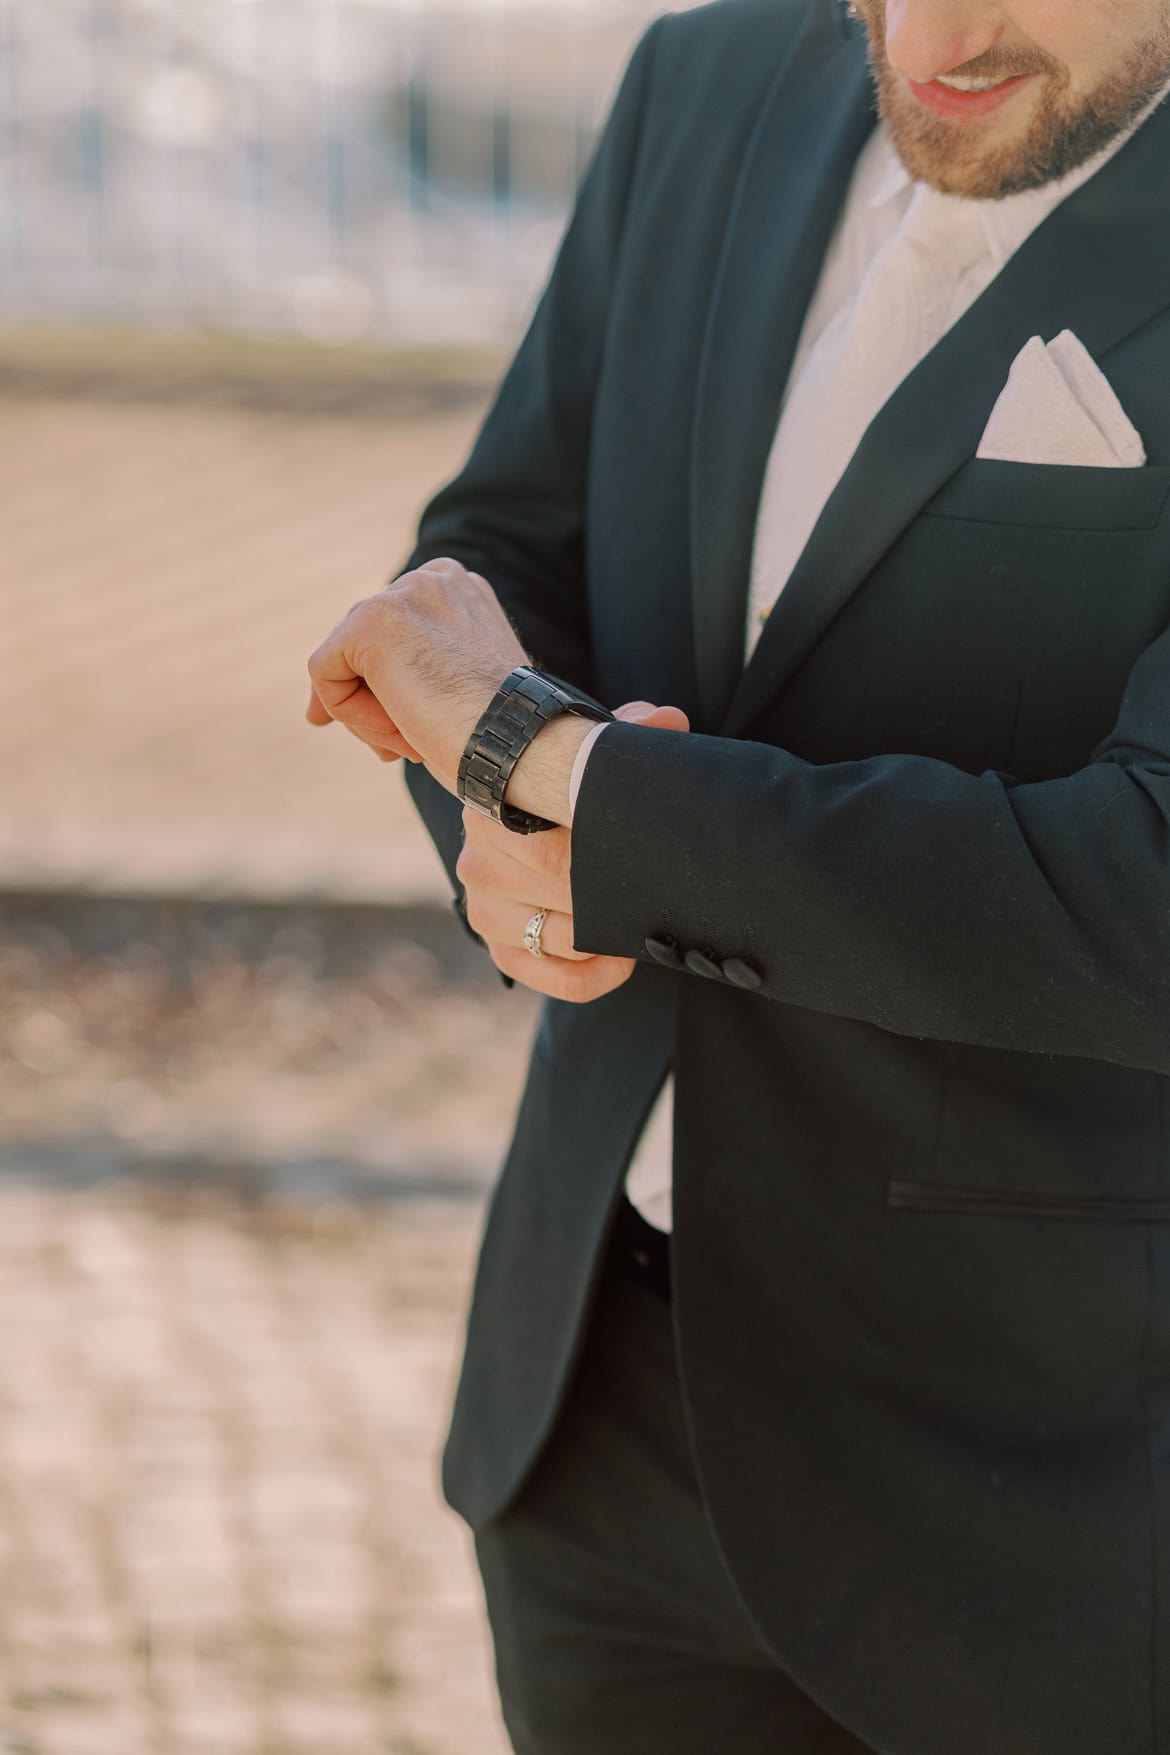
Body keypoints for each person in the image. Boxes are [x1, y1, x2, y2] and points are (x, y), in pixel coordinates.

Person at [304, 0, 1170, 1747]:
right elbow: (512, 549)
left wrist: (557, 772)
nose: (927, 29)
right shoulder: (705, 75)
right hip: (593, 1421)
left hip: (1062, 1497)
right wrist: (501, 832)